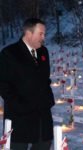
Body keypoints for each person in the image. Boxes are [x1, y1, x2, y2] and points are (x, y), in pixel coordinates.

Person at [0, 18, 55, 150]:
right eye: (41, 34)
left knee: (44, 144)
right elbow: (3, 85)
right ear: (29, 33)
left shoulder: (43, 52)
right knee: (18, 147)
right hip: (20, 116)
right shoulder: (9, 53)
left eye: (44, 34)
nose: (44, 37)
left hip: (43, 114)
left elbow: (44, 79)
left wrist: (48, 99)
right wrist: (19, 105)